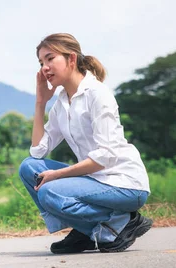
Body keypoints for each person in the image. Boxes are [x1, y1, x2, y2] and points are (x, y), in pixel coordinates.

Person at [18, 33, 152, 254]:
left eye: (50, 58)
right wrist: (41, 102)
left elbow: (105, 157)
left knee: (49, 192)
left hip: (124, 184)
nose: (45, 67)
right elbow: (38, 150)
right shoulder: (62, 102)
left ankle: (121, 223)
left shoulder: (97, 94)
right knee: (28, 167)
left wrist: (58, 175)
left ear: (71, 59)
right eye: (41, 62)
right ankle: (88, 230)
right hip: (94, 181)